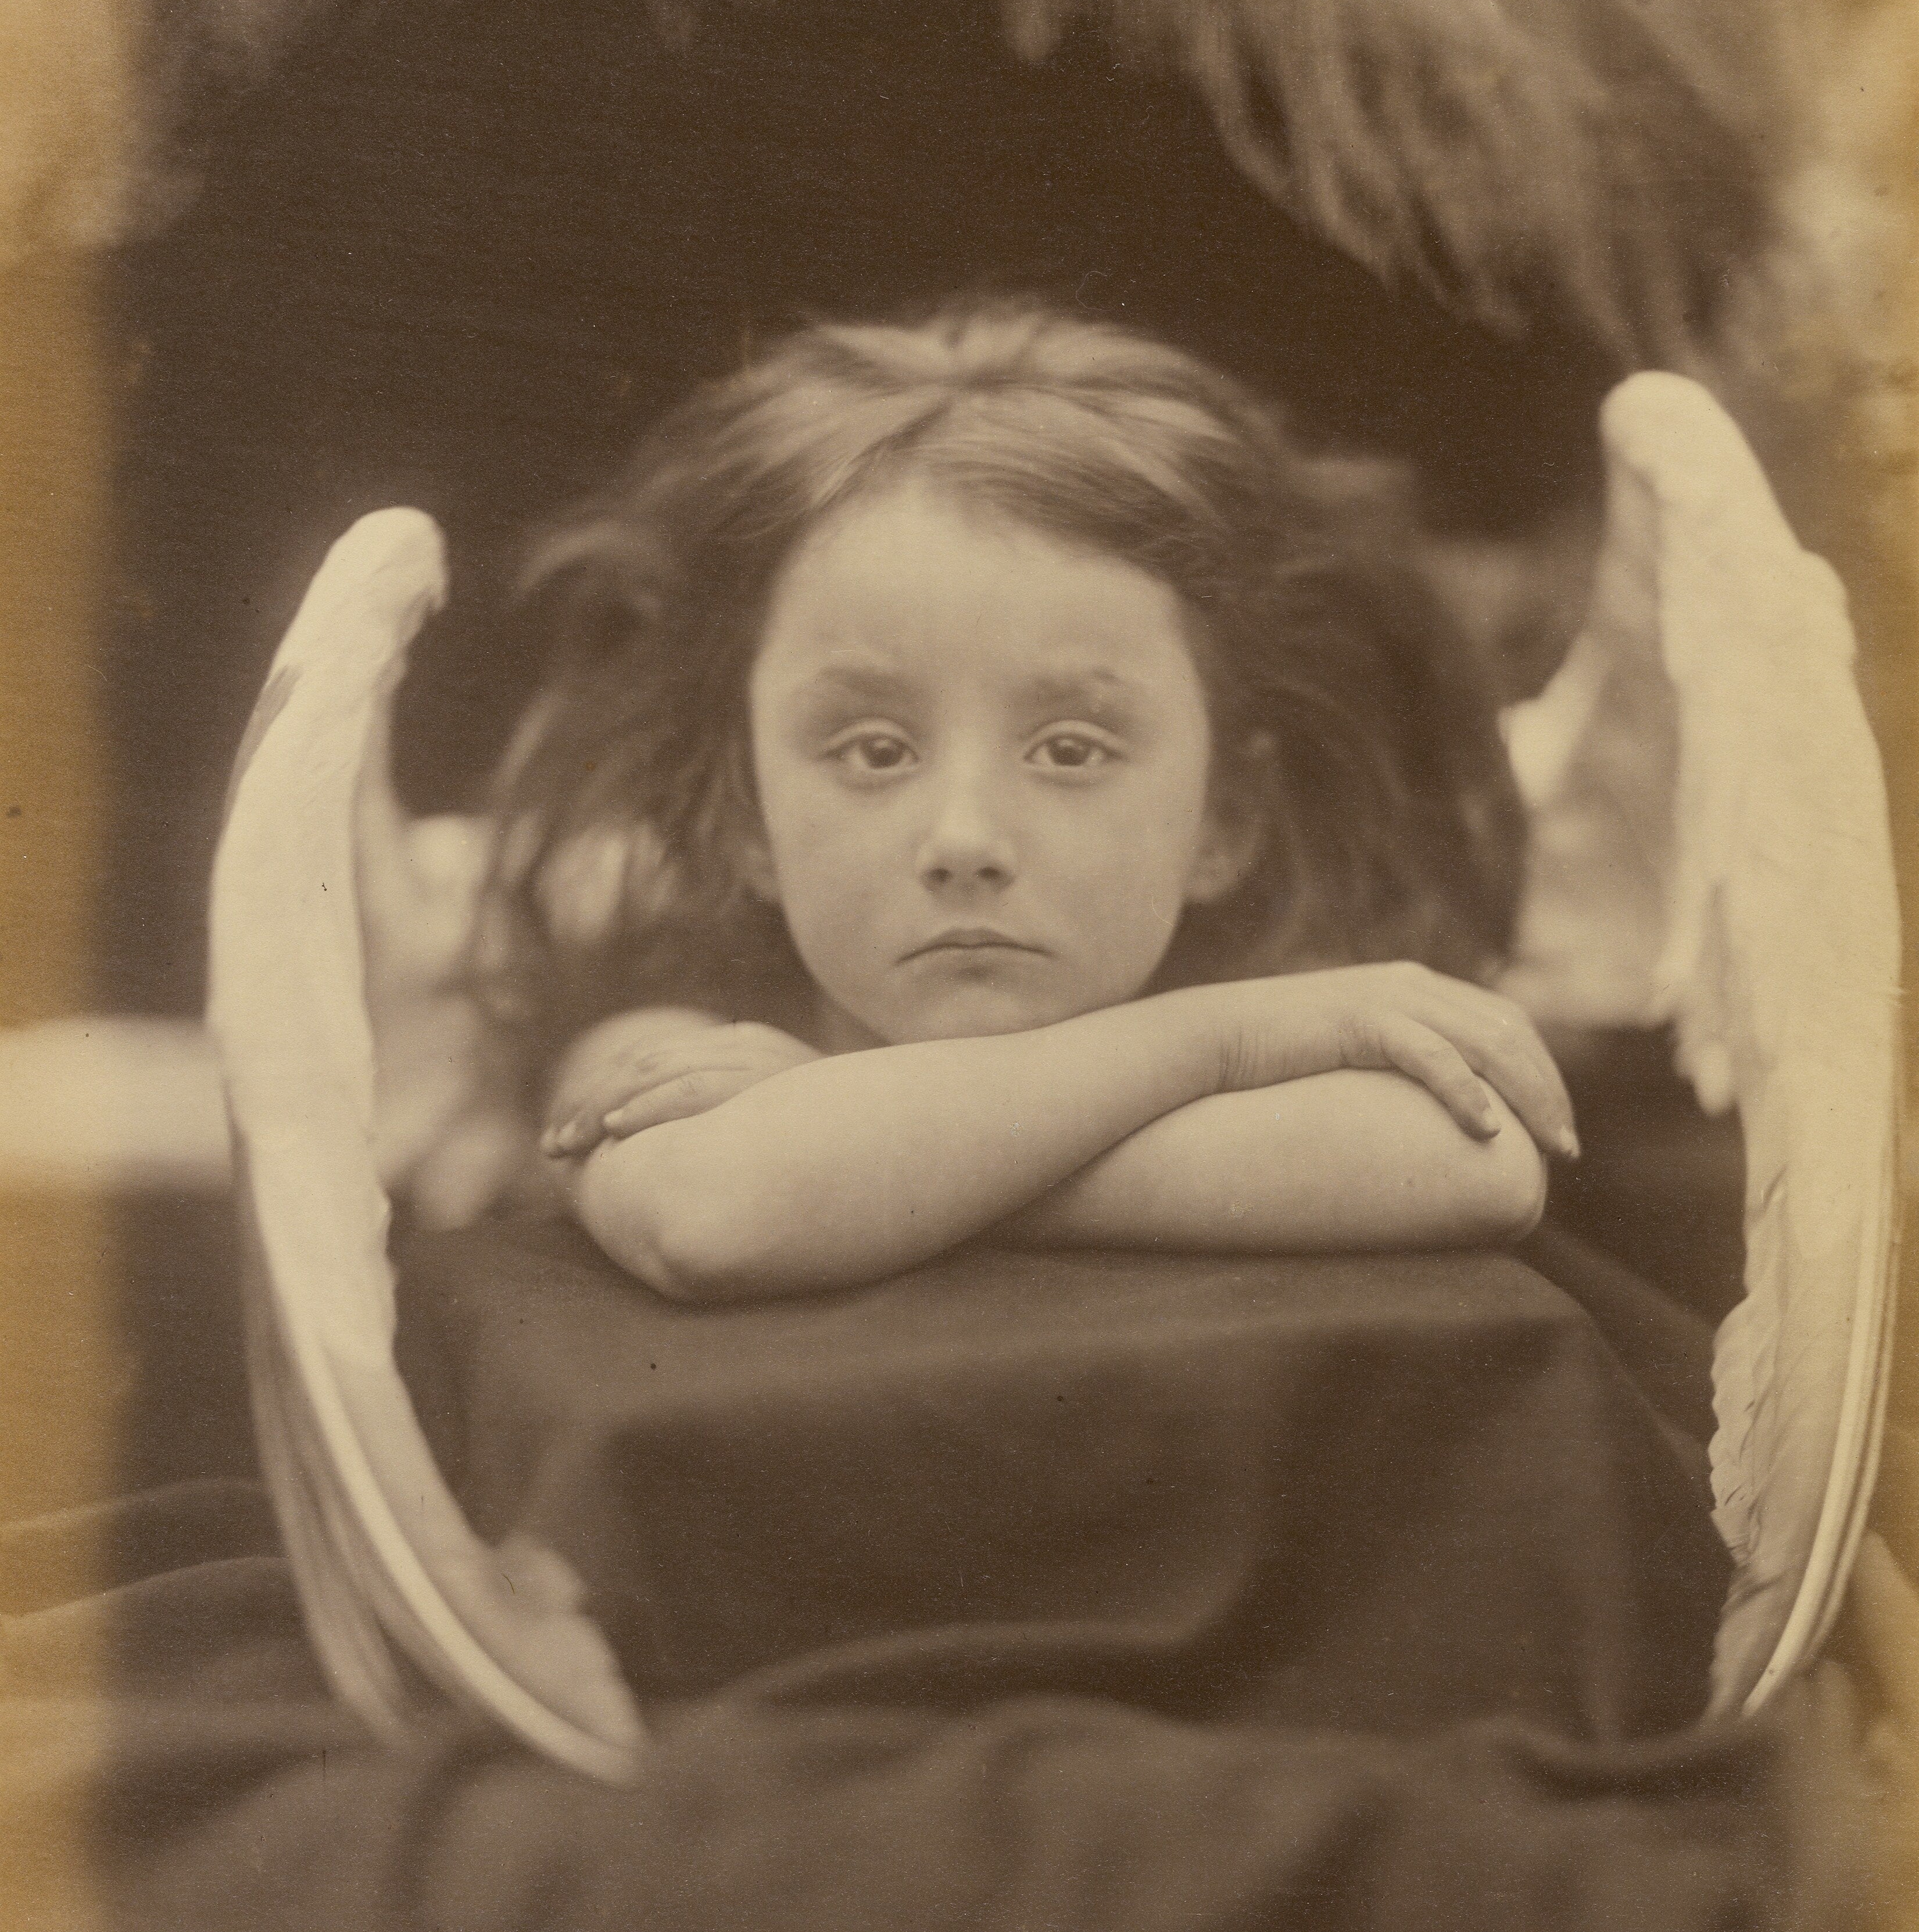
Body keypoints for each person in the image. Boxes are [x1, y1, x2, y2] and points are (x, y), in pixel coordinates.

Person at [477, 299, 1578, 1302]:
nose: (964, 840)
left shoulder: (1269, 1008)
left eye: (1069, 748)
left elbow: (1475, 1164)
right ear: (743, 818)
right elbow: (717, 1210)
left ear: (1225, 821)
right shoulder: (664, 1040)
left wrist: (863, 1143)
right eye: (871, 750)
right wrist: (1224, 1045)